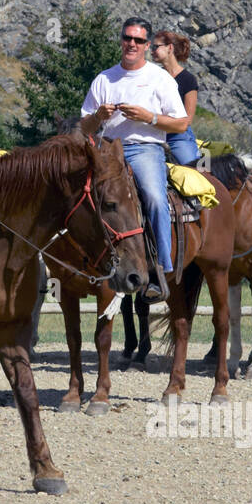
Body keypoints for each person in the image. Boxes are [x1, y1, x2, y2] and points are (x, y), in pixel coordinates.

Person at [79, 17, 189, 301]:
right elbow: (83, 128)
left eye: (138, 40)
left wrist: (148, 117)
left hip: (145, 148)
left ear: (147, 45)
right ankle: (80, 263)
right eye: (128, 38)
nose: (132, 44)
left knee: (153, 196)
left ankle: (160, 269)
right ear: (121, 40)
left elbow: (180, 124)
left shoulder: (159, 78)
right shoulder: (104, 78)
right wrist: (98, 117)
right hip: (107, 149)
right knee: (78, 196)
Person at [151, 31, 199, 166]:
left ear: (169, 48)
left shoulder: (188, 79)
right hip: (152, 134)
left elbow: (188, 120)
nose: (152, 51)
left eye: (156, 47)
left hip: (177, 137)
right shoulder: (153, 76)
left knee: (194, 172)